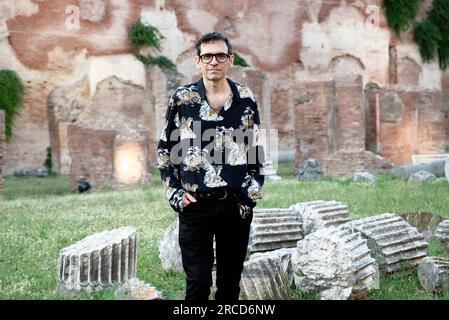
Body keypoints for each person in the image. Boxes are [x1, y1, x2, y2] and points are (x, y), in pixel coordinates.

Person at [157, 32, 265, 301]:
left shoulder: (246, 98)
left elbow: (256, 149)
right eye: (207, 56)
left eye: (219, 56)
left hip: (234, 203)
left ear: (230, 60)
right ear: (198, 62)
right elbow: (165, 149)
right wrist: (175, 194)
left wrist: (251, 193)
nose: (213, 62)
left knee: (230, 285)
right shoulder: (183, 100)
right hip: (195, 206)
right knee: (198, 283)